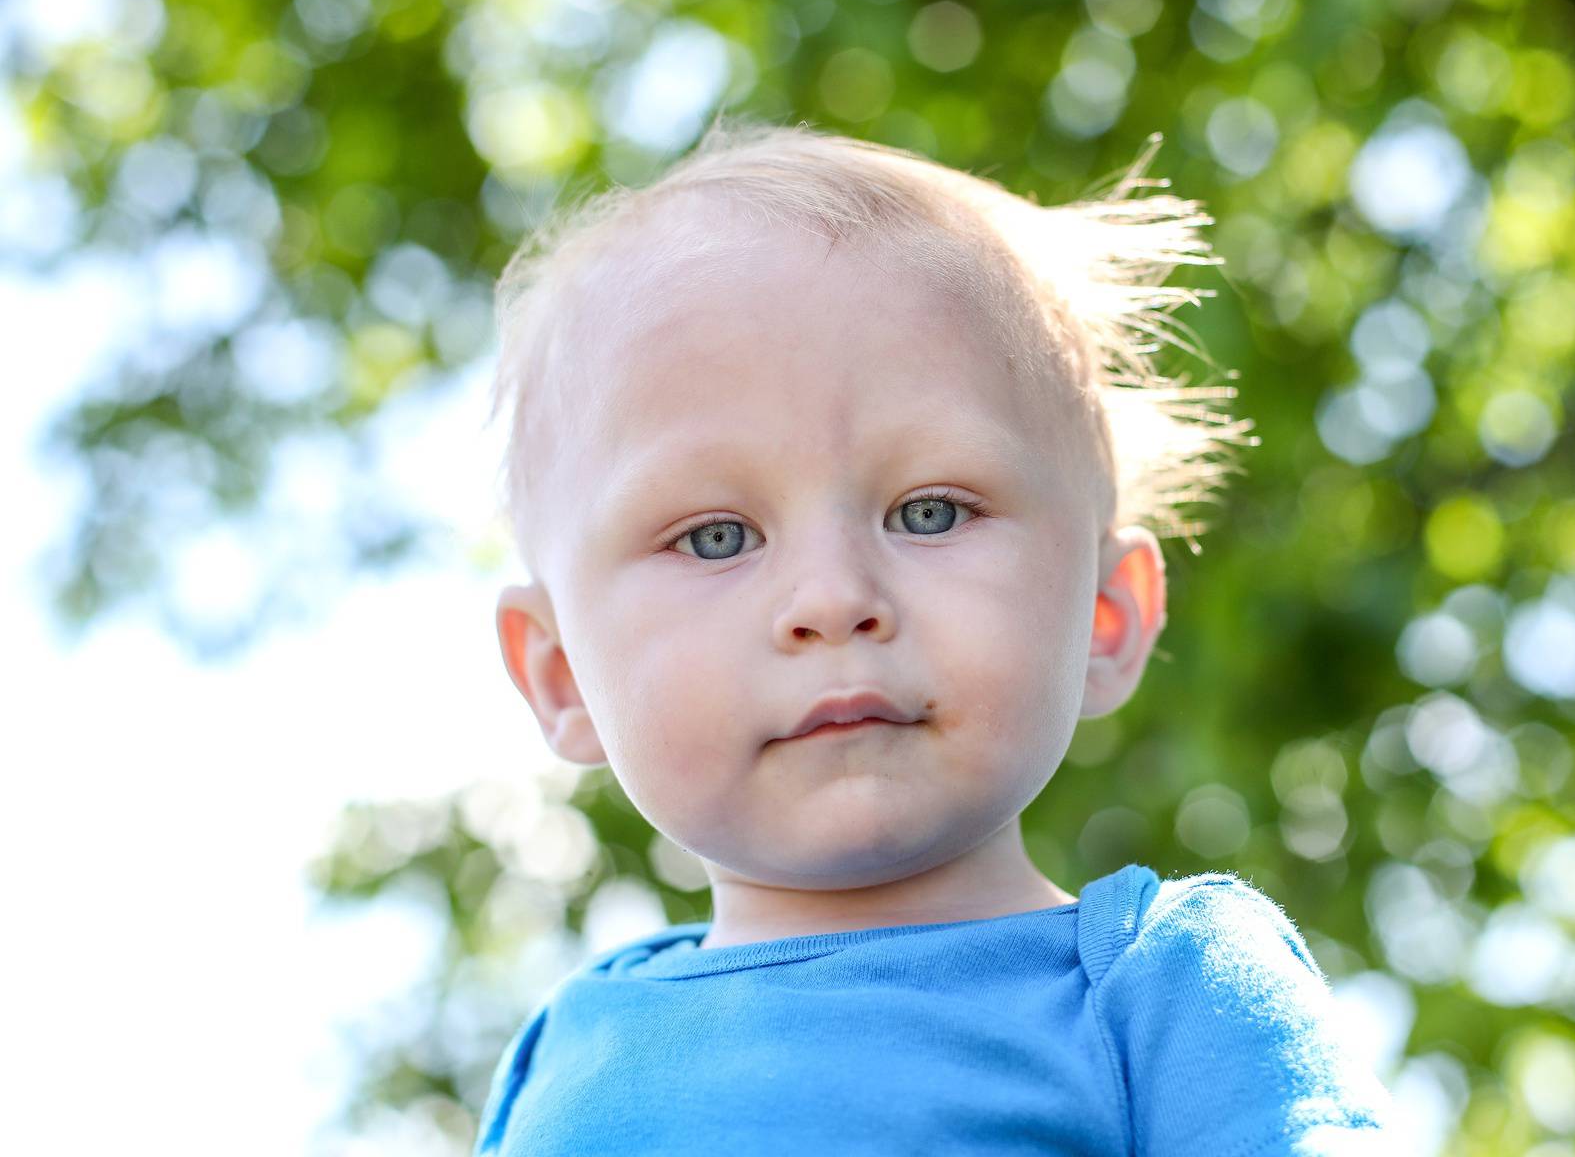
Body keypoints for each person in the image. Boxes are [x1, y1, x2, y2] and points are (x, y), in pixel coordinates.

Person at [477, 118, 1396, 1153]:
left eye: (930, 511)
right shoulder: (565, 1051)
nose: (832, 597)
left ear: (1106, 613)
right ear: (562, 676)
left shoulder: (1166, 989)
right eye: (717, 535)